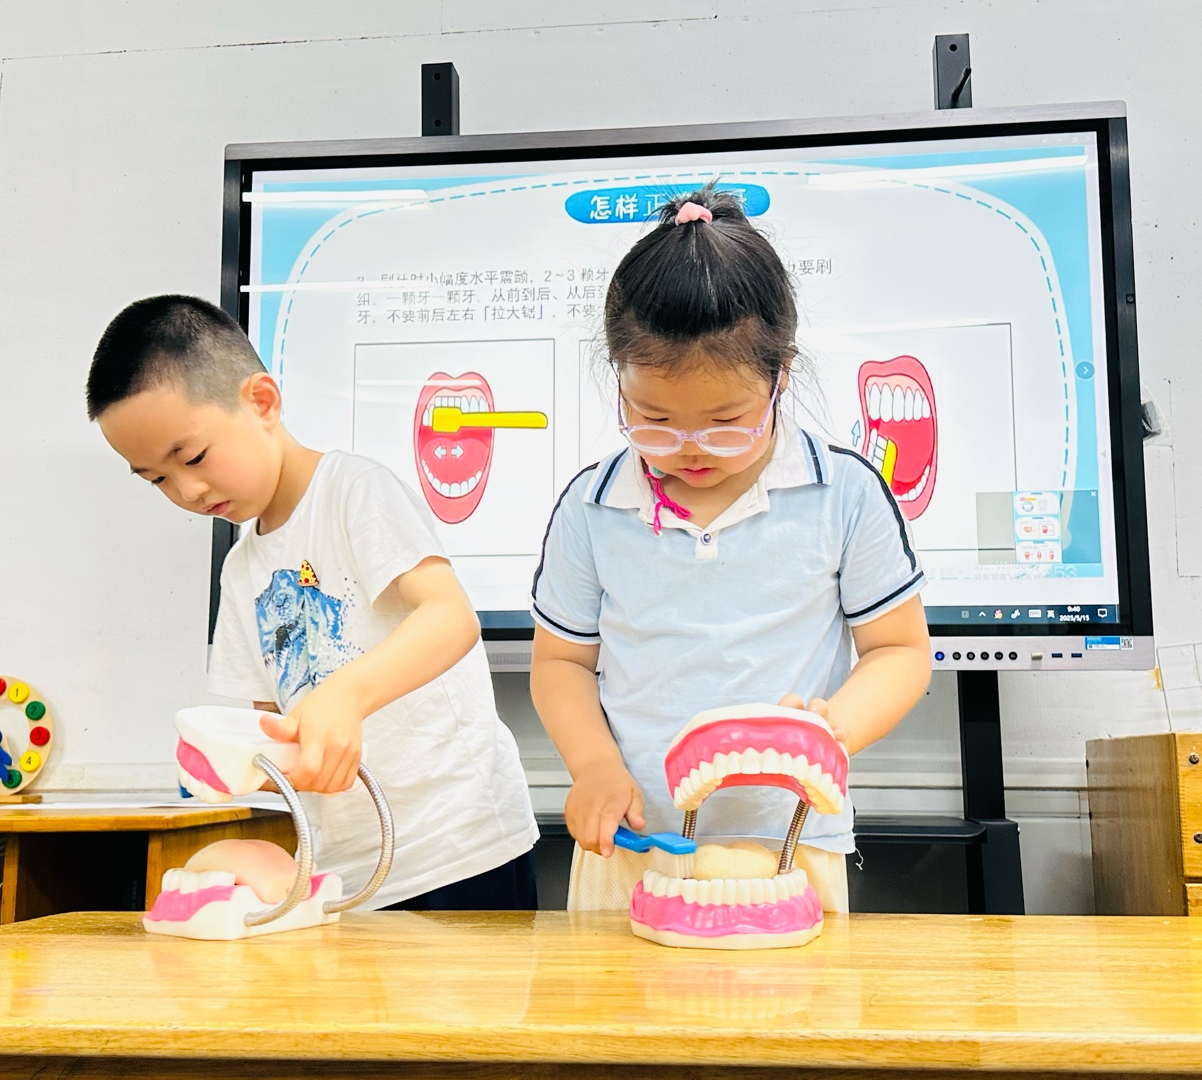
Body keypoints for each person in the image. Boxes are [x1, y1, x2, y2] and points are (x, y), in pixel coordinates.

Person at [530, 187, 931, 911]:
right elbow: (562, 663)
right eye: (654, 420)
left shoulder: (843, 492)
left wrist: (831, 730)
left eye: (725, 422)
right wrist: (592, 767)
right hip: (633, 841)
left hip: (790, 845)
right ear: (619, 379)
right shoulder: (591, 506)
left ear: (781, 378)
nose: (690, 450)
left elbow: (898, 650)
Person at [87, 295, 539, 909]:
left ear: (262, 402)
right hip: (350, 873)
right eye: (158, 479)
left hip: (458, 849)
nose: (187, 490)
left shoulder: (354, 491)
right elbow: (272, 725)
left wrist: (345, 696)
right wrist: (234, 771)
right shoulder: (241, 570)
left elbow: (450, 618)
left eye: (192, 457)